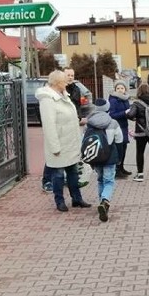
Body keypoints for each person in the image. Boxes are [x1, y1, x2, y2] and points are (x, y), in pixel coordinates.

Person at [36, 70, 92, 211]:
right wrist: (55, 147)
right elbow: (49, 125)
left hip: (70, 143)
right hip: (59, 144)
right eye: (63, 81)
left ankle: (77, 199)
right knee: (58, 174)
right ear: (56, 83)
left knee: (73, 172)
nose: (67, 82)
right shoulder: (48, 100)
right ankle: (59, 201)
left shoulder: (64, 96)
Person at [84, 98, 123, 222]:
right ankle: (105, 200)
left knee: (100, 180)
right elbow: (119, 141)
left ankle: (102, 202)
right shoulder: (113, 122)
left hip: (95, 156)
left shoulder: (89, 123)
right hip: (110, 157)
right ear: (108, 108)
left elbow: (84, 140)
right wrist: (120, 158)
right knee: (109, 181)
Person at [108, 81, 132, 177]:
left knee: (124, 148)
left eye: (122, 88)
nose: (120, 90)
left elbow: (128, 111)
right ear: (115, 89)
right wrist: (125, 113)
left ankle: (121, 167)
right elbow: (112, 115)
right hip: (117, 127)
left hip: (124, 126)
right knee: (118, 148)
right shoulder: (113, 100)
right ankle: (116, 171)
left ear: (125, 89)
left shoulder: (125, 99)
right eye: (118, 88)